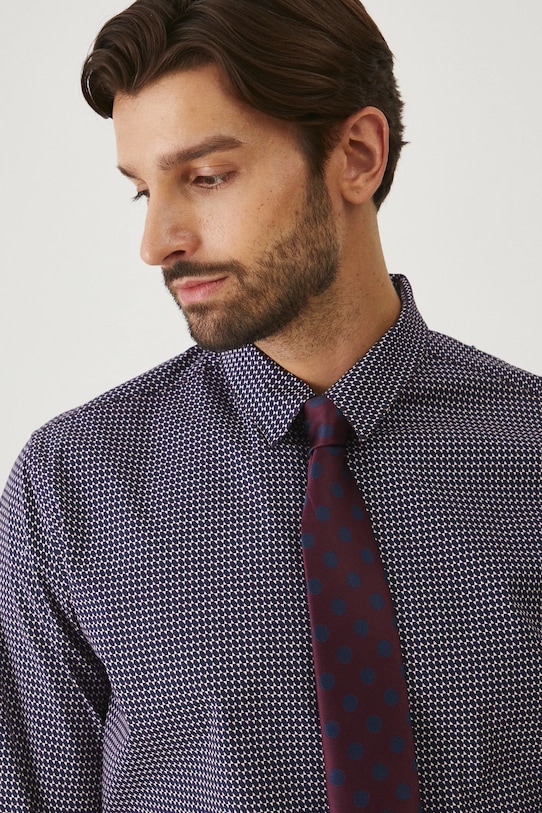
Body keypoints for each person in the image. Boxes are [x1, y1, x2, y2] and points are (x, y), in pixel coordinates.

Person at [0, 0, 540, 811]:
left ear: (357, 156)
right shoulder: (70, 486)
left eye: (207, 177)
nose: (157, 242)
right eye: (142, 191)